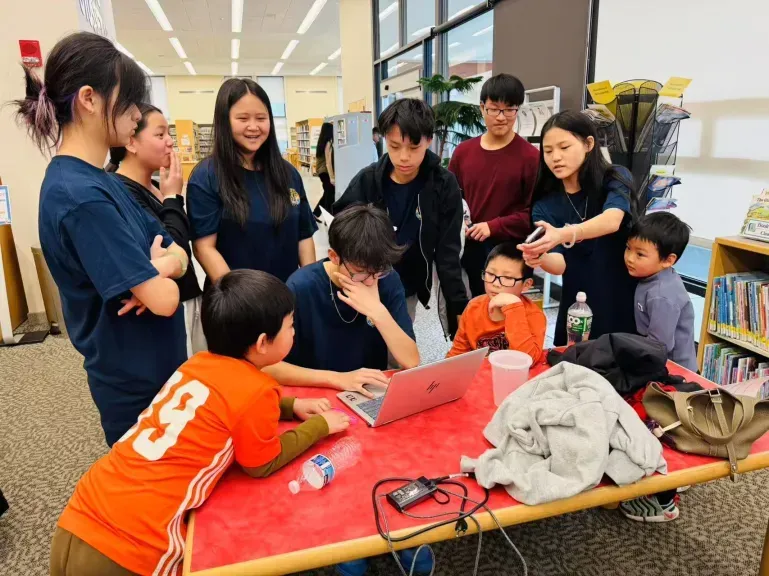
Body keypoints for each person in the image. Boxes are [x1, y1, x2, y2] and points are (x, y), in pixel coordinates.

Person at [50, 269, 349, 576]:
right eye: (291, 325)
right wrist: (320, 426)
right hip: (133, 544)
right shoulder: (257, 391)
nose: (294, 332)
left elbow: (225, 407)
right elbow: (261, 462)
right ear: (262, 343)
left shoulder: (197, 363)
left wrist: (292, 405)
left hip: (83, 512)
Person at [12, 32, 189, 446]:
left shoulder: (105, 182)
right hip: (133, 380)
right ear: (89, 99)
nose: (135, 116)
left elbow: (179, 254)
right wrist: (160, 274)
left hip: (159, 366)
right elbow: (165, 300)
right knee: (150, 495)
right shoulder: (80, 197)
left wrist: (155, 268)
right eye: (127, 104)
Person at [334, 99, 468, 334]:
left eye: (414, 147)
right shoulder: (368, 180)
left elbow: (448, 251)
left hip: (408, 285)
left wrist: (458, 304)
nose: (404, 157)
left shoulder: (443, 185)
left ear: (429, 139)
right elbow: (340, 228)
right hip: (365, 281)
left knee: (397, 347)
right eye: (395, 146)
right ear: (385, 139)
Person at [264, 205, 419, 398]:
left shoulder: (386, 279)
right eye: (360, 272)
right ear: (334, 257)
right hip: (314, 393)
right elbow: (268, 366)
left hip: (366, 393)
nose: (370, 281)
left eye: (378, 270)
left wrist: (377, 311)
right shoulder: (302, 287)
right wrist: (338, 379)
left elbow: (411, 361)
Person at [519, 110, 638, 346]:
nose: (556, 157)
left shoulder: (614, 178)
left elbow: (612, 220)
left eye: (564, 147)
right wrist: (539, 256)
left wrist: (564, 233)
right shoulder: (545, 204)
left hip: (623, 296)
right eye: (548, 151)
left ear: (588, 144)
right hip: (579, 303)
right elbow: (560, 264)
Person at [187, 78, 317, 285]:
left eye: (261, 118)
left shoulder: (288, 174)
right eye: (243, 118)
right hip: (237, 302)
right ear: (224, 120)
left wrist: (309, 285)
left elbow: (304, 236)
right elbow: (204, 247)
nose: (254, 127)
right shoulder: (206, 176)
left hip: (287, 296)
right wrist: (242, 299)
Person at [106, 103, 204, 356]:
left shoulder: (155, 185)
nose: (170, 142)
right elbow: (173, 242)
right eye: (160, 135)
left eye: (169, 134)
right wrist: (173, 198)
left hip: (183, 297)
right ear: (131, 142)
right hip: (165, 309)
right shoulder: (123, 192)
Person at [448, 74, 539, 297]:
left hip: (508, 257)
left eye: (510, 110)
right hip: (467, 251)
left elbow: (536, 215)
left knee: (502, 318)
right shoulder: (463, 153)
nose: (502, 117)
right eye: (494, 109)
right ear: (482, 108)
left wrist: (493, 226)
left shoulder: (531, 157)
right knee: (468, 314)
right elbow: (449, 200)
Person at [448, 243, 546, 363]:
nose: (496, 283)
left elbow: (528, 360)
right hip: (481, 376)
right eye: (491, 274)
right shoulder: (474, 307)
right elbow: (458, 353)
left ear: (526, 285)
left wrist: (514, 307)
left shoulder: (533, 315)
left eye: (508, 278)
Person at [625, 211, 696, 371]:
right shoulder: (652, 277)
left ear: (668, 260)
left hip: (675, 371)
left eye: (640, 254)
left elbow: (659, 345)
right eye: (628, 248)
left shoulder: (661, 295)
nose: (629, 258)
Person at [313, 121, 335, 217]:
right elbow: (328, 162)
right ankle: (327, 217)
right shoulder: (328, 142)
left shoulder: (321, 141)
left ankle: (315, 214)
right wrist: (332, 177)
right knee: (329, 195)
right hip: (325, 172)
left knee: (327, 193)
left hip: (321, 172)